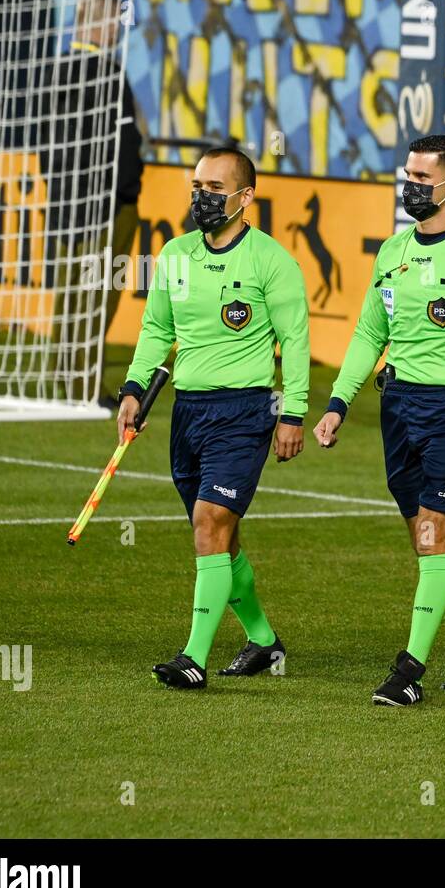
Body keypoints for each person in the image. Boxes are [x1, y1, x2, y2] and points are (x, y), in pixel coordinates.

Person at [313, 135, 445, 705]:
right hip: (399, 405)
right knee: (427, 539)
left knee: (435, 535)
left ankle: (408, 671)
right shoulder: (393, 251)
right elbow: (368, 332)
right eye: (406, 175)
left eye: (420, 178)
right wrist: (338, 402)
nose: (408, 186)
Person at [118, 147, 309, 689]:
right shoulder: (175, 254)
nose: (201, 196)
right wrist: (134, 388)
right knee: (219, 538)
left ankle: (193, 658)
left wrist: (292, 412)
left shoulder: (272, 261)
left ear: (245, 197)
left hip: (244, 412)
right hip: (188, 413)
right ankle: (265, 642)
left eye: (214, 188)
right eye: (197, 186)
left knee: (210, 523)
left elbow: (295, 342)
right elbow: (156, 330)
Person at [44, 0, 144, 408]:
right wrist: (126, 194)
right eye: (114, 22)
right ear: (100, 25)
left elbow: (45, 142)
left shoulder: (57, 70)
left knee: (70, 294)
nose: (118, 30)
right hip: (105, 207)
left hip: (66, 205)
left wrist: (59, 190)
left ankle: (59, 377)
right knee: (96, 296)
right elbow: (123, 144)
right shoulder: (107, 73)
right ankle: (85, 389)